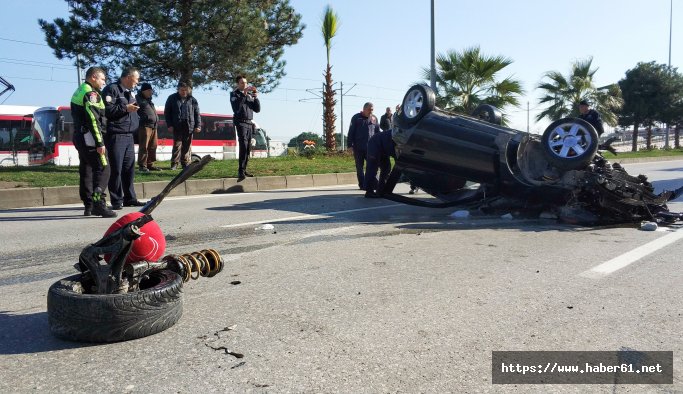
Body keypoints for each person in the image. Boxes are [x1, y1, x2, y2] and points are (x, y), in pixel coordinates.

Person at [70, 66, 116, 218]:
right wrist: (99, 143)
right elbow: (93, 120)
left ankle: (88, 205)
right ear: (93, 78)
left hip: (80, 136)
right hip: (90, 137)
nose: (104, 82)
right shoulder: (91, 94)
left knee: (87, 169)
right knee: (103, 168)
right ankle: (99, 204)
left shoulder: (80, 90)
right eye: (102, 79)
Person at [103, 67, 145, 210]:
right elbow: (107, 111)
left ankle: (130, 198)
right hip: (116, 135)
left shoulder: (130, 92)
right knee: (116, 169)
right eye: (136, 78)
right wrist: (125, 108)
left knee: (129, 169)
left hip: (129, 136)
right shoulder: (112, 89)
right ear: (127, 77)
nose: (137, 82)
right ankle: (116, 200)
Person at [164, 81, 201, 170]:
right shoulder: (172, 98)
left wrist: (198, 126)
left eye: (185, 90)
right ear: (178, 90)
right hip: (177, 125)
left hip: (189, 126)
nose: (184, 92)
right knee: (177, 145)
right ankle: (174, 164)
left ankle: (185, 163)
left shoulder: (192, 99)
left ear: (188, 90)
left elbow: (197, 114)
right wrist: (169, 125)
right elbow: (167, 113)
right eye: (182, 90)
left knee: (187, 145)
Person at [230, 75, 261, 181]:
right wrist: (243, 94)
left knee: (248, 147)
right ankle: (240, 171)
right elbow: (236, 108)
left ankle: (244, 169)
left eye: (246, 82)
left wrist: (255, 97)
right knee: (243, 145)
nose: (245, 84)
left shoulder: (249, 95)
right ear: (238, 84)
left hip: (249, 123)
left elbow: (257, 109)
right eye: (242, 83)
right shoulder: (234, 94)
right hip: (240, 122)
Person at [347, 102, 380, 190]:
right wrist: (349, 145)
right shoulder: (356, 118)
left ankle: (374, 184)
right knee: (359, 167)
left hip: (371, 148)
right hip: (358, 147)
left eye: (372, 110)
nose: (371, 112)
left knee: (372, 166)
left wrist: (379, 145)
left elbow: (377, 133)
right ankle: (362, 185)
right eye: (369, 110)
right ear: (364, 109)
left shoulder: (374, 118)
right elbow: (351, 132)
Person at [136, 82, 161, 173]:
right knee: (144, 147)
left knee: (153, 146)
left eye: (151, 90)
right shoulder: (138, 99)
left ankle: (150, 165)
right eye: (149, 90)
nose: (151, 92)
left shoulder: (150, 101)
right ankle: (142, 166)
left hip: (154, 126)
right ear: (144, 91)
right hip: (144, 126)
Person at [364, 130, 396, 198]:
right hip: (374, 144)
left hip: (384, 149)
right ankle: (369, 191)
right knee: (372, 168)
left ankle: (381, 190)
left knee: (386, 168)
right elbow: (396, 155)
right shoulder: (400, 136)